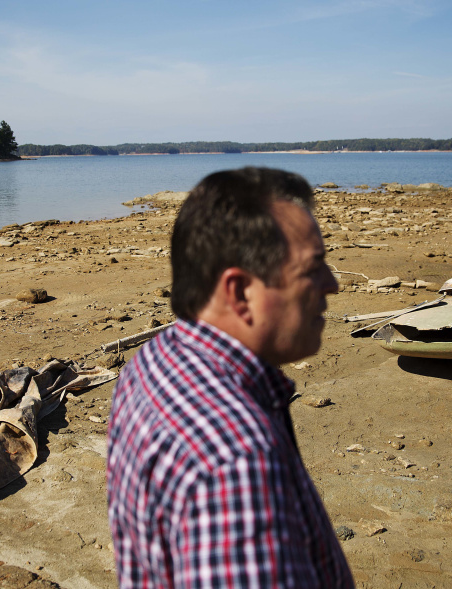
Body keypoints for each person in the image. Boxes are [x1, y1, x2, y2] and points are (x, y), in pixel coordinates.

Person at [106, 167, 353, 587]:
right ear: (239, 292)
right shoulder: (236, 461)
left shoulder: (151, 364)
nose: (332, 284)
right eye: (313, 269)